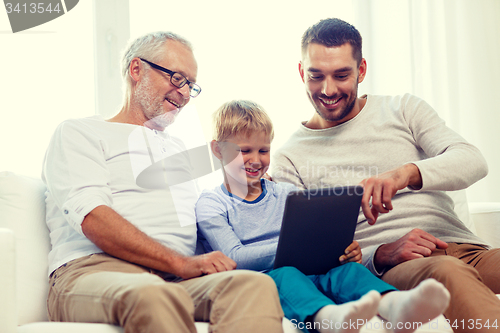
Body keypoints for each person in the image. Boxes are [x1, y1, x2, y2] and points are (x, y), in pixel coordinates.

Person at [41, 32, 285, 333]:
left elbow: (207, 213)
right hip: (96, 270)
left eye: (191, 85)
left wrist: (254, 186)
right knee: (154, 294)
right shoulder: (80, 132)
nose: (184, 93)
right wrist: (180, 264)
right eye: (176, 78)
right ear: (136, 69)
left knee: (253, 286)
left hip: (175, 278)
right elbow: (93, 217)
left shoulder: (180, 149)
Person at [271, 18, 500, 332]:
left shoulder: (403, 109)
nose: (328, 89)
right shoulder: (289, 159)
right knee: (448, 272)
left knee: (453, 265)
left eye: (341, 75)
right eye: (316, 76)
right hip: (396, 267)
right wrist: (380, 254)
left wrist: (404, 174)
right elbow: (307, 257)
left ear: (361, 70)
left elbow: (473, 161)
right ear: (301, 72)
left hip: (465, 249)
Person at [195, 100, 450, 333]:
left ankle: (395, 304)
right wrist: (292, 249)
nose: (255, 160)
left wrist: (343, 249)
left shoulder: (288, 194)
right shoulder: (211, 203)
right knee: (286, 274)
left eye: (263, 151)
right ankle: (328, 318)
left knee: (349, 271)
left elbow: (318, 236)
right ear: (218, 150)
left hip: (313, 271)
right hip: (266, 280)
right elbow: (232, 258)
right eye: (244, 150)